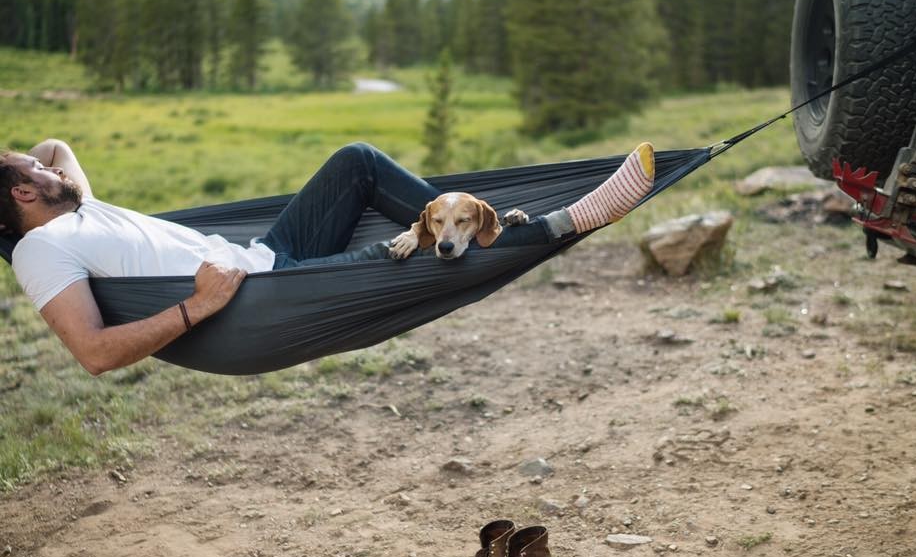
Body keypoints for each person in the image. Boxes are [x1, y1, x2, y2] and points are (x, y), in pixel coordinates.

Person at [0, 140, 655, 376]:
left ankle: (457, 224)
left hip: (264, 256)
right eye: (32, 170)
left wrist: (29, 173)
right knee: (390, 261)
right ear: (26, 193)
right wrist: (196, 306)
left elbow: (56, 147)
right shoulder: (41, 250)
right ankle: (546, 226)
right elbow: (93, 355)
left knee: (358, 163)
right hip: (249, 307)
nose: (45, 164)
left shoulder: (77, 209)